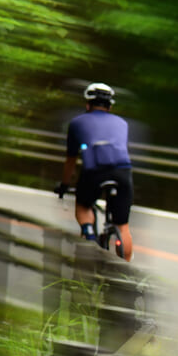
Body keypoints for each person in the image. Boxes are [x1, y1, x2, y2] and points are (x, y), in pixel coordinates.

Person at [55, 82, 135, 262]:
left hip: (94, 170)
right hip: (123, 171)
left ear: (88, 104)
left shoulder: (77, 123)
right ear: (110, 106)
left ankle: (89, 235)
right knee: (122, 225)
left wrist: (65, 184)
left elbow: (71, 159)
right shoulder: (122, 123)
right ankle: (126, 270)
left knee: (83, 206)